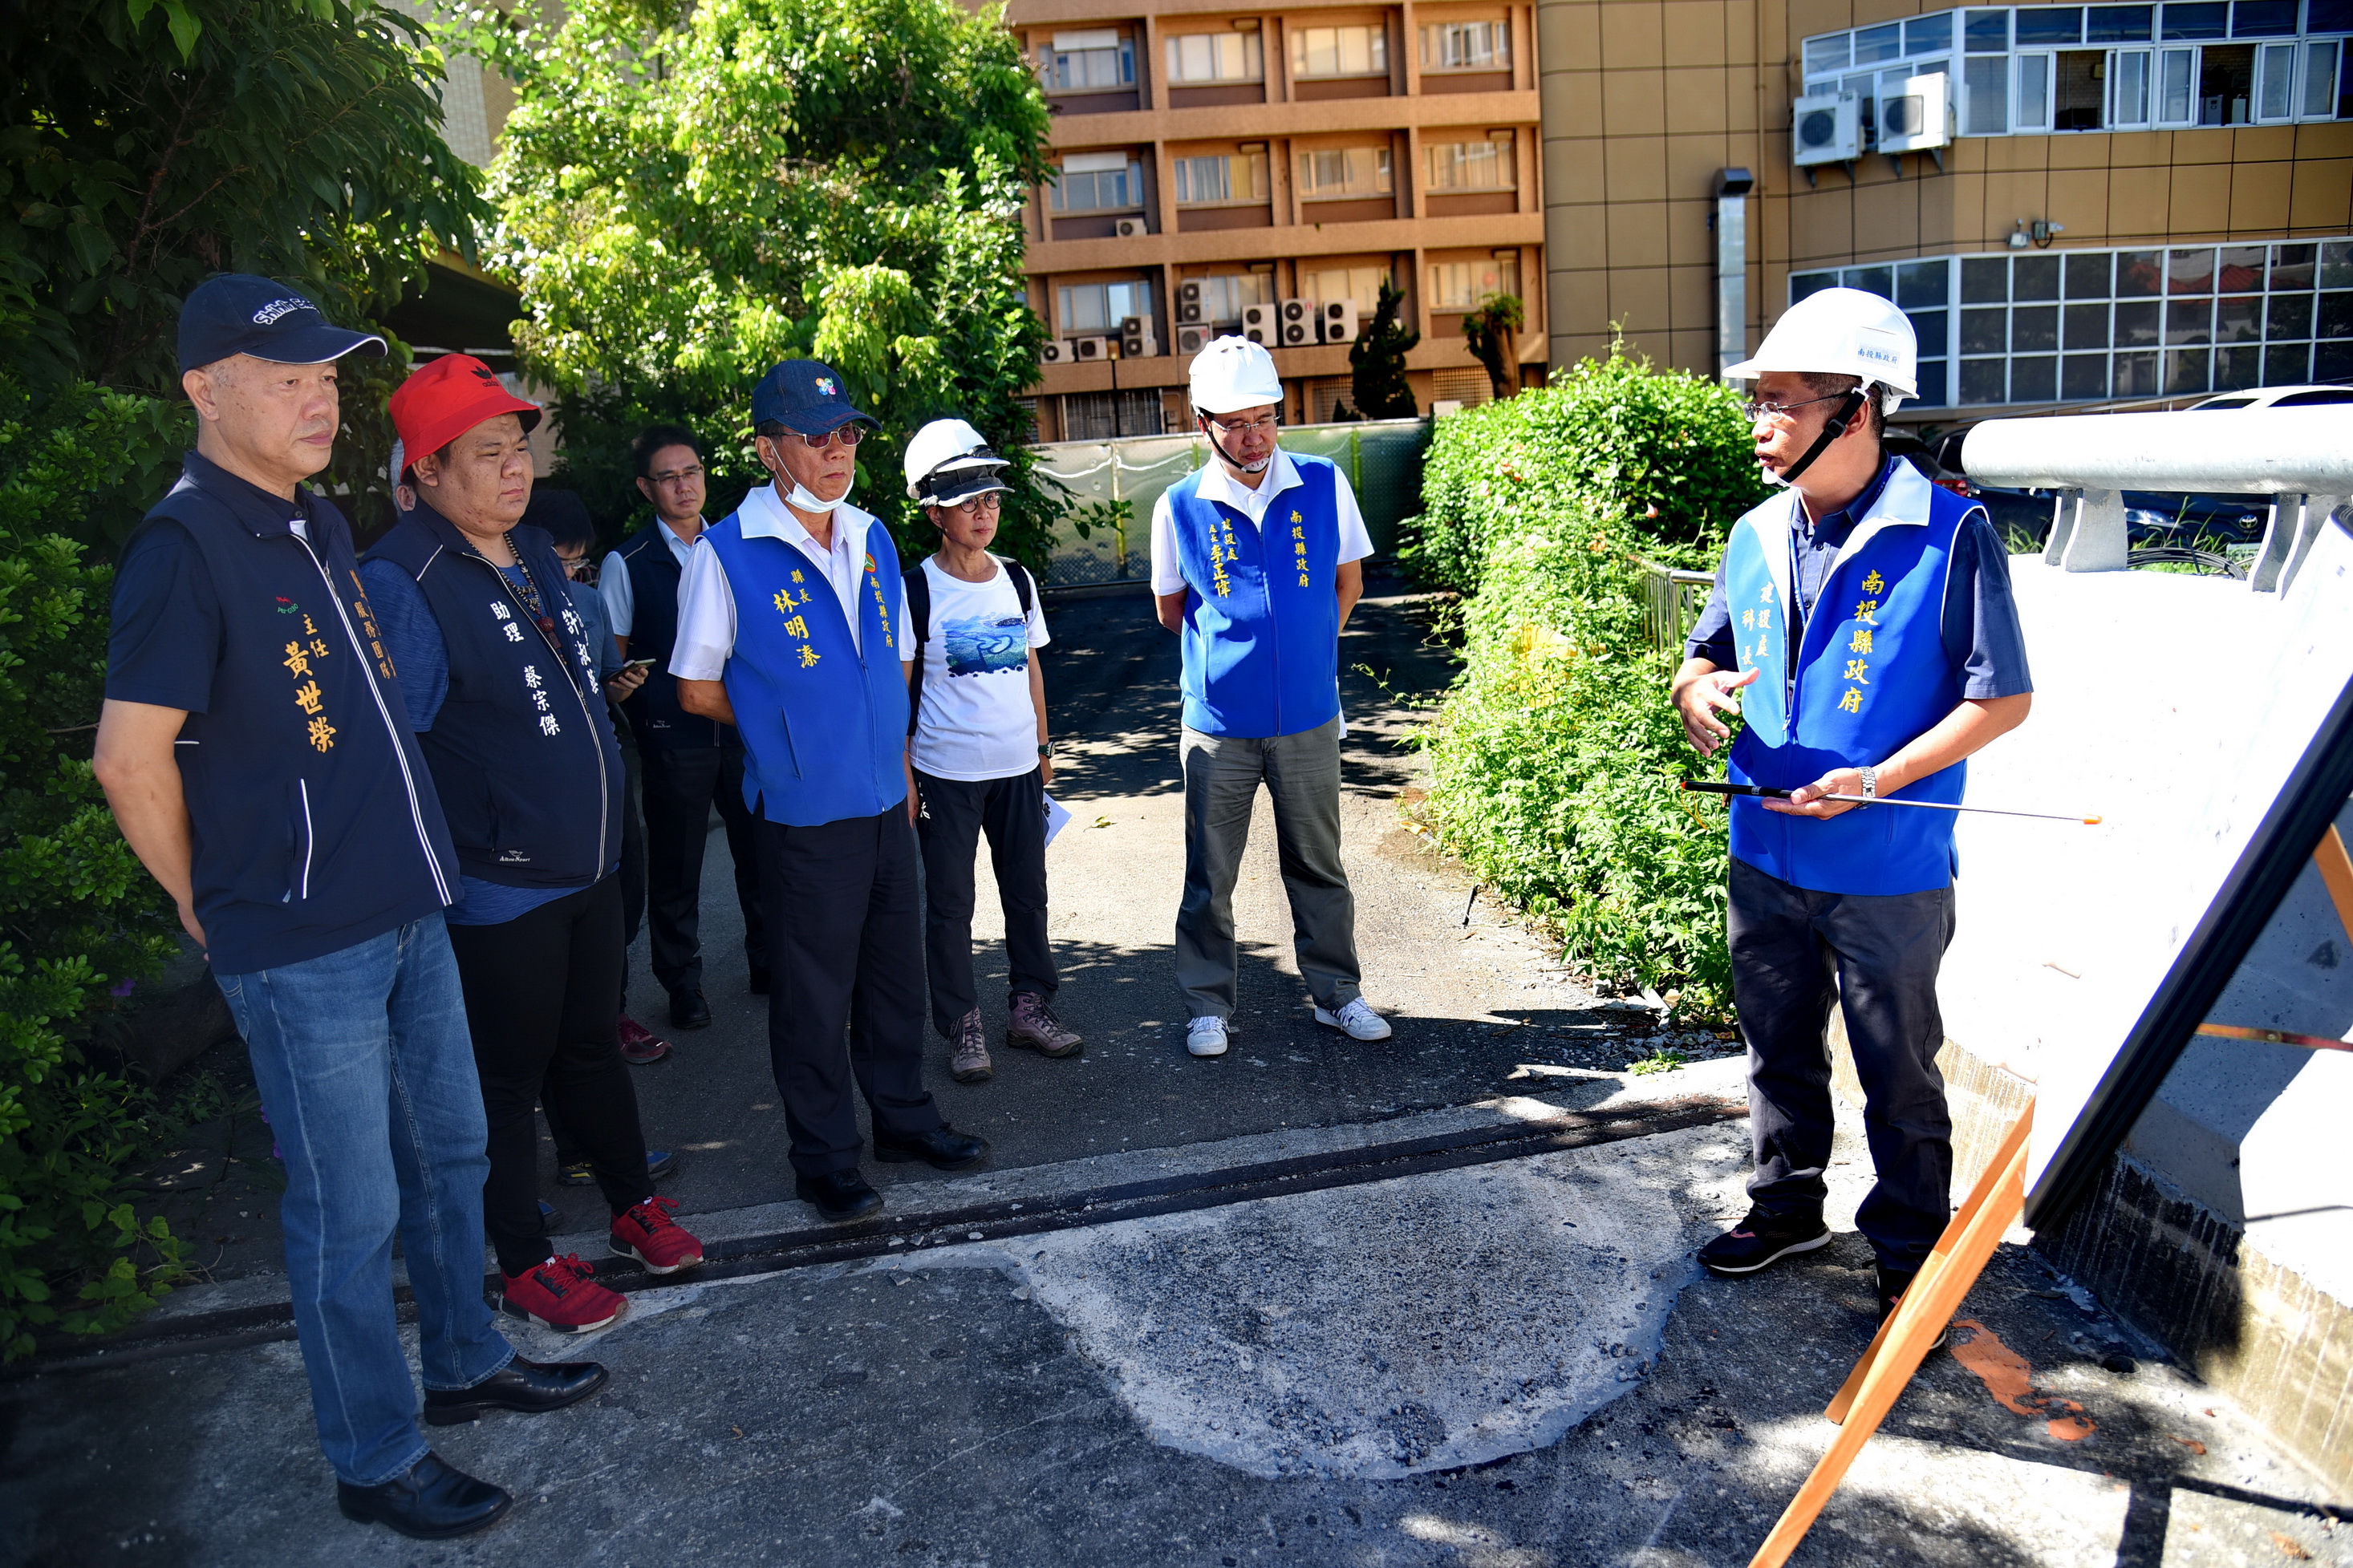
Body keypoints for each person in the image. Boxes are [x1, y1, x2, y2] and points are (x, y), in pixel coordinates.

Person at [95, 275, 601, 1541]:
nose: (320, 399)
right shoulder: (183, 545)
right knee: (348, 1206)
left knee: (456, 1151)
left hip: (407, 901)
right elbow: (127, 757)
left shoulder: (316, 522)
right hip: (300, 935)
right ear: (205, 391)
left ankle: (467, 1357)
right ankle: (373, 1453)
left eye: (328, 378)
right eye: (289, 379)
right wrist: (200, 903)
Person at [1671, 288, 2034, 1334]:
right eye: (1760, 401)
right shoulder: (1752, 533)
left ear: (1856, 408)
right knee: (1776, 1046)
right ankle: (1786, 1204)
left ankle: (1911, 1251)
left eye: (1781, 402)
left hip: (1887, 865)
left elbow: (2000, 696)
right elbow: (1708, 652)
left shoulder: (1948, 531)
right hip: (1763, 850)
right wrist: (1693, 688)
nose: (1759, 422)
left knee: (1896, 1069)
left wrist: (1875, 778)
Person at [361, 355, 705, 1334]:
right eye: (486, 454)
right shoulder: (405, 576)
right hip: (500, 883)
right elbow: (403, 740)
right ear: (425, 471)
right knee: (505, 1079)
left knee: (592, 1044)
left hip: (587, 860)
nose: (515, 471)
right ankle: (523, 1256)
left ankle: (631, 1201)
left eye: (517, 449)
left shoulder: (522, 550)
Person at [671, 359, 985, 1223]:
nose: (837, 450)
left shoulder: (873, 535)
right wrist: (789, 733)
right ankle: (822, 1156)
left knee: (894, 977)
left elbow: (895, 656)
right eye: (816, 437)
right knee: (813, 994)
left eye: (847, 432)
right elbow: (696, 688)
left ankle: (904, 1119)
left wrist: (905, 761)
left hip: (887, 795)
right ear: (770, 450)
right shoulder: (725, 553)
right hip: (805, 811)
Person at [1150, 335, 1389, 1059]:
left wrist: (1308, 646)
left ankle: (1336, 993)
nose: (1253, 438)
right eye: (1235, 424)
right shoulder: (1178, 505)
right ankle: (1206, 1005)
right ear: (1204, 426)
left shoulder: (1321, 483)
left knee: (1319, 864)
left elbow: (1347, 581)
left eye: (1265, 418)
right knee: (1209, 873)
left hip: (1309, 718)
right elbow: (1171, 607)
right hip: (1218, 724)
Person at [900, 419, 1082, 1084]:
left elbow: (1032, 667)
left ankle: (1029, 1008)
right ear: (933, 510)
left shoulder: (1017, 579)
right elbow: (900, 689)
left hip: (1016, 771)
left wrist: (1041, 747)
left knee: (1026, 896)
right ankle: (961, 1023)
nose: (985, 511)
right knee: (950, 905)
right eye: (969, 500)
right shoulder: (914, 589)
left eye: (992, 498)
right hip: (945, 773)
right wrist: (906, 772)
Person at [598, 426, 769, 1032]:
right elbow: (614, 657)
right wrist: (632, 696)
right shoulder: (630, 562)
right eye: (668, 476)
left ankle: (766, 962)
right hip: (673, 734)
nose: (683, 485)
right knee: (676, 867)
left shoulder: (734, 545)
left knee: (760, 853)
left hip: (740, 727)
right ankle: (682, 984)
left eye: (690, 472)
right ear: (647, 487)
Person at [528, 486, 671, 1067]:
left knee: (625, 890)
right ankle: (579, 1023)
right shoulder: (501, 602)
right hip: (546, 782)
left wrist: (622, 684)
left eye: (578, 562)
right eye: (560, 560)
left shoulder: (586, 603)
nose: (570, 572)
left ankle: (611, 1008)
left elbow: (606, 680)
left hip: (604, 763)